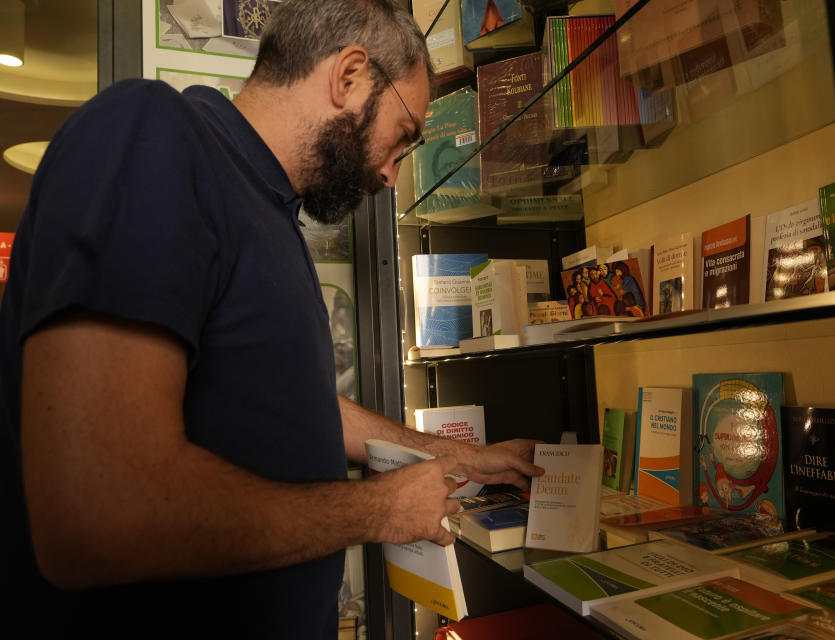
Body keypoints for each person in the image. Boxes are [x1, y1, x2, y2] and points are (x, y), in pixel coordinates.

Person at [0, 0, 542, 637]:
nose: (393, 175)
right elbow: (96, 513)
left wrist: (450, 455)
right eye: (403, 135)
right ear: (349, 77)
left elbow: (286, 406)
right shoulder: (150, 133)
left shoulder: (271, 213)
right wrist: (376, 510)